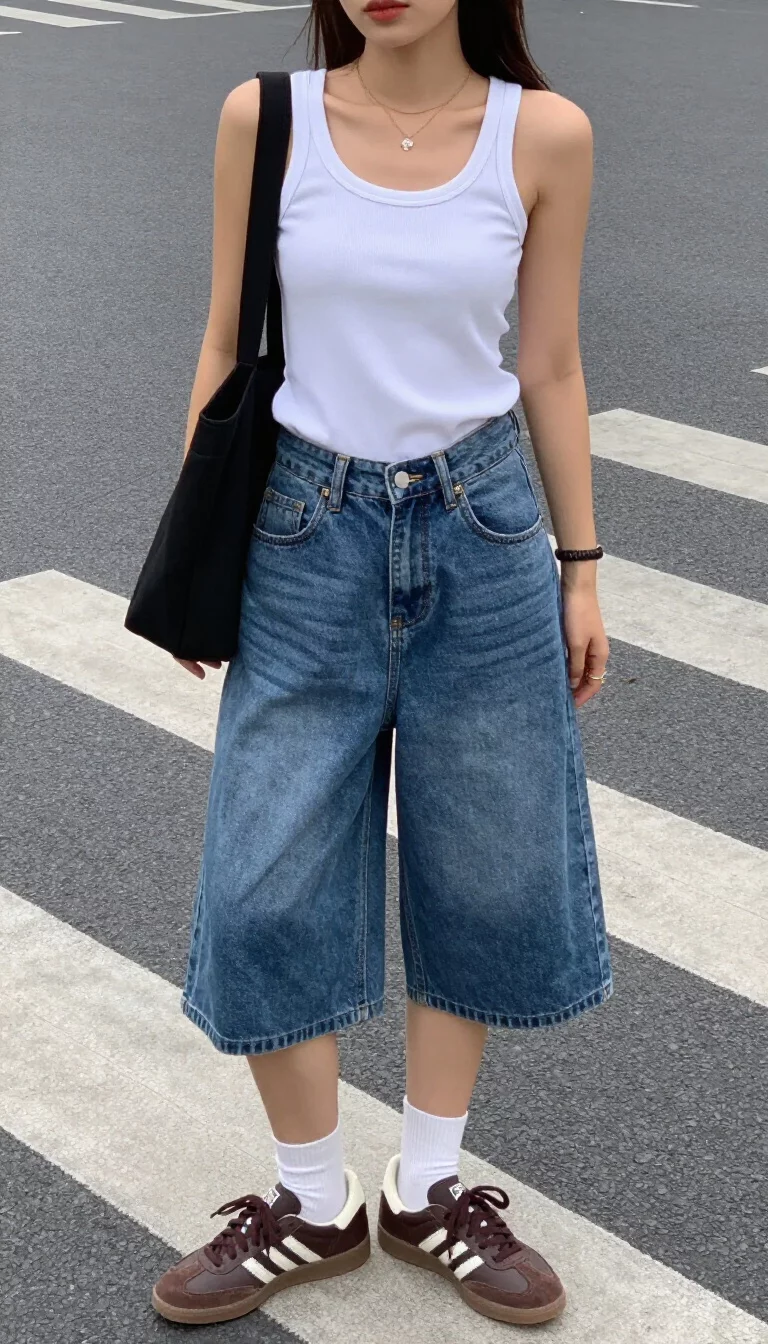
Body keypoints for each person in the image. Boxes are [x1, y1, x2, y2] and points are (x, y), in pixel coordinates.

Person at [151, 0, 613, 1328]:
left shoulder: (545, 135)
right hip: (303, 529)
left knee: (485, 867)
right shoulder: (269, 119)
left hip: (485, 528)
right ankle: (311, 1201)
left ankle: (427, 1188)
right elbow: (225, 339)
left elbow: (551, 364)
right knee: (263, 882)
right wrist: (199, 556)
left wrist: (582, 566)